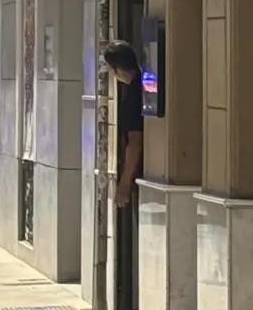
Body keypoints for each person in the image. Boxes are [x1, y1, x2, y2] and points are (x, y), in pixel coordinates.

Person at [103, 40, 145, 310]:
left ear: (117, 69)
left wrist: (124, 184)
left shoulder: (133, 94)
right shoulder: (139, 87)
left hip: (139, 177)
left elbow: (134, 143)